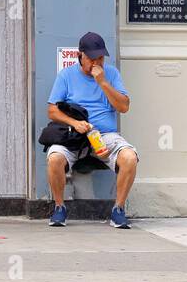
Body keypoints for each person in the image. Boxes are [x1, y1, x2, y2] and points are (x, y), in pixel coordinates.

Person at [46, 32, 138, 229]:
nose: (96, 63)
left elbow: (124, 107)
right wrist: (74, 123)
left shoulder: (111, 74)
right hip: (75, 135)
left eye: (100, 58)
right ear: (81, 56)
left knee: (129, 157)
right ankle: (59, 207)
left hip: (105, 135)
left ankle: (118, 210)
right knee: (54, 158)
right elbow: (52, 111)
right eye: (92, 58)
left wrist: (103, 82)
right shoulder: (66, 76)